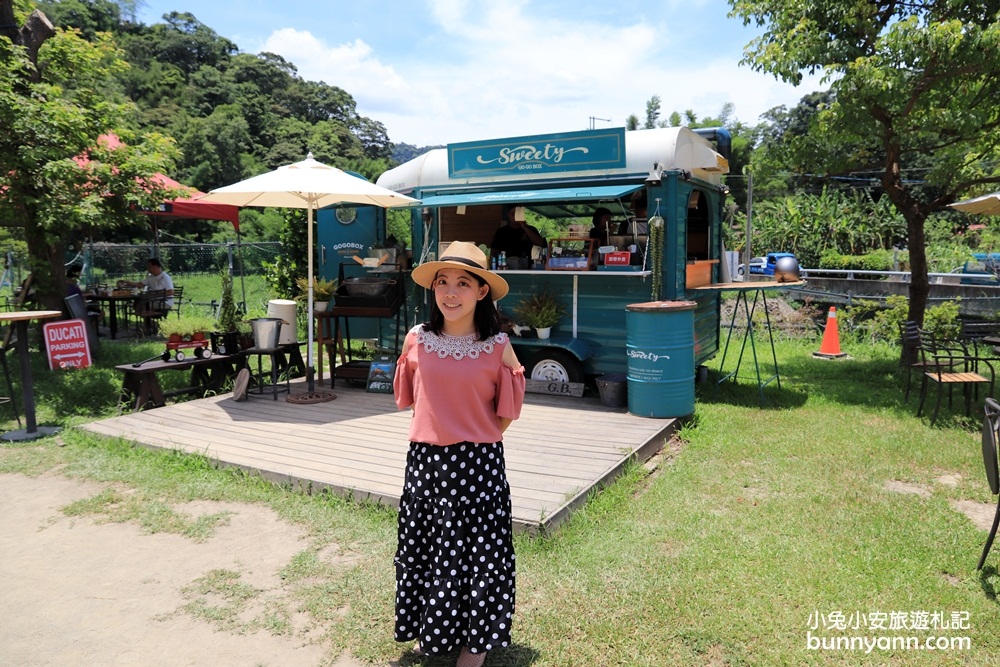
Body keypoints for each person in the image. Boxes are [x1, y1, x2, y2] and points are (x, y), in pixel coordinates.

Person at [392, 241, 526, 667]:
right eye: (443, 282)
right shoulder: (417, 338)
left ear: (481, 292)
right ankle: (432, 628)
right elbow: (413, 398)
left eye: (463, 283)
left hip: (478, 467)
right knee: (429, 550)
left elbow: (507, 411)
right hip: (426, 465)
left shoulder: (498, 345)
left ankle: (476, 645)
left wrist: (475, 435)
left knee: (479, 556)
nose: (450, 292)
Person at [490, 204, 546, 268]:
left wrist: (525, 227)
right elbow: (494, 251)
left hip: (527, 267)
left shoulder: (530, 229)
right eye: (514, 214)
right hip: (506, 267)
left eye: (518, 214)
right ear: (508, 215)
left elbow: (541, 244)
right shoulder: (501, 232)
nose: (516, 217)